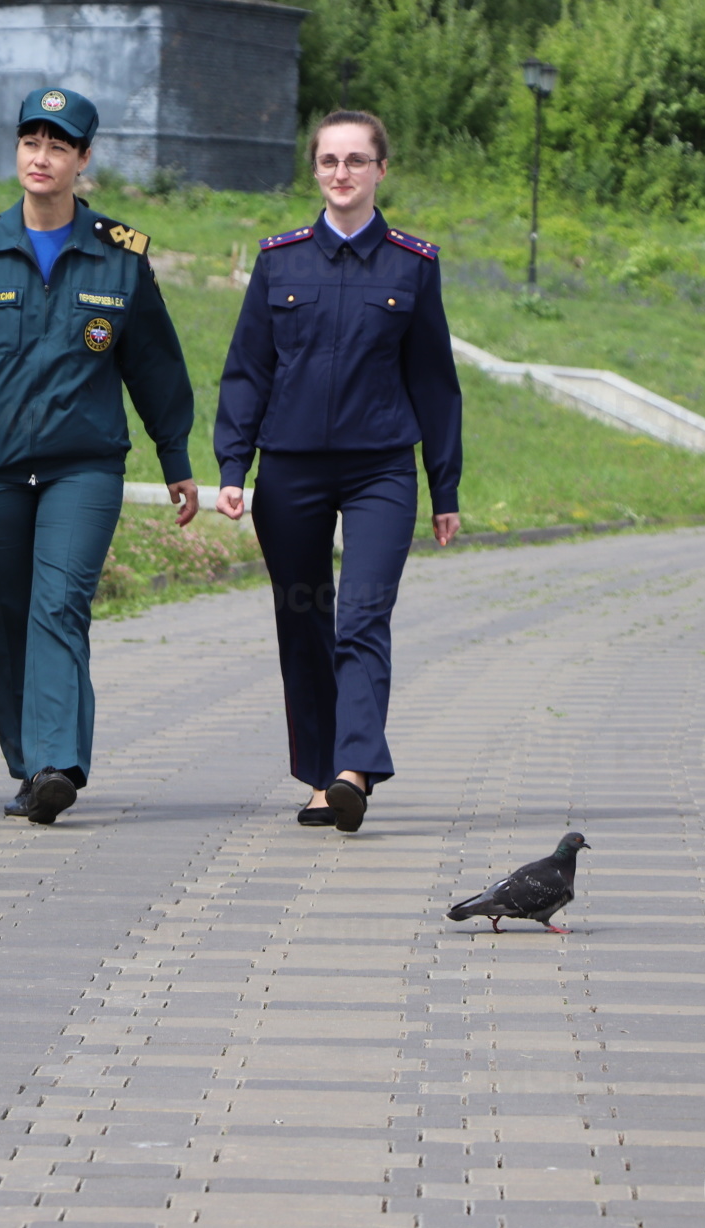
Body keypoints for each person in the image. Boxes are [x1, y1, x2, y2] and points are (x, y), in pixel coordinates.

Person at [0, 87, 196, 826]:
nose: (42, 157)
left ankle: (56, 762)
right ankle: (27, 761)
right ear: (17, 152)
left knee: (59, 601)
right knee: (7, 607)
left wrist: (175, 459)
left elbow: (155, 366)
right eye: (31, 142)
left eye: (59, 146)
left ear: (82, 160)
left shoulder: (119, 258)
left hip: (82, 464)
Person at [212, 109, 463, 834]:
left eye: (357, 160)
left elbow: (436, 385)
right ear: (315, 170)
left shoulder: (413, 265)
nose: (342, 173)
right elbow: (247, 370)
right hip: (290, 471)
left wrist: (443, 487)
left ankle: (355, 768)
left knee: (361, 616)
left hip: (382, 469)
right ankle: (324, 777)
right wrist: (235, 462)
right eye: (329, 161)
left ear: (382, 169)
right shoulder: (280, 260)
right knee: (304, 618)